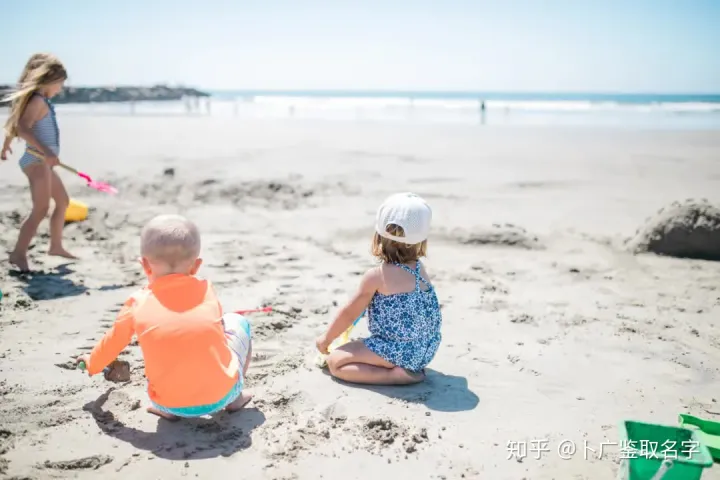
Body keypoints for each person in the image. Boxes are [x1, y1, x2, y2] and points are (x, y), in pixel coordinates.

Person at [75, 214, 253, 421]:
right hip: (221, 397)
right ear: (196, 266)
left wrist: (92, 362)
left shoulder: (136, 302)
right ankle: (236, 398)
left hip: (167, 402)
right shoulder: (207, 290)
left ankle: (167, 411)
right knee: (238, 322)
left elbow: (113, 342)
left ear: (145, 266)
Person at [316, 193, 442, 385]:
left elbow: (350, 313)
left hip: (396, 349)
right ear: (422, 240)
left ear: (378, 236)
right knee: (358, 347)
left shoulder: (376, 277)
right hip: (425, 350)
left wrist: (326, 339)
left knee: (336, 362)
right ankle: (402, 368)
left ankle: (394, 376)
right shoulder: (419, 269)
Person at [1, 53, 75, 272]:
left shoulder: (42, 101)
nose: (60, 89)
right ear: (49, 80)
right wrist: (47, 152)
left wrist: (5, 145)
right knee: (41, 209)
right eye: (60, 84)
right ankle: (18, 253)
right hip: (37, 160)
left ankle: (56, 246)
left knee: (62, 201)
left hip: (44, 162)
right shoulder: (37, 100)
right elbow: (23, 127)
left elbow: (16, 123)